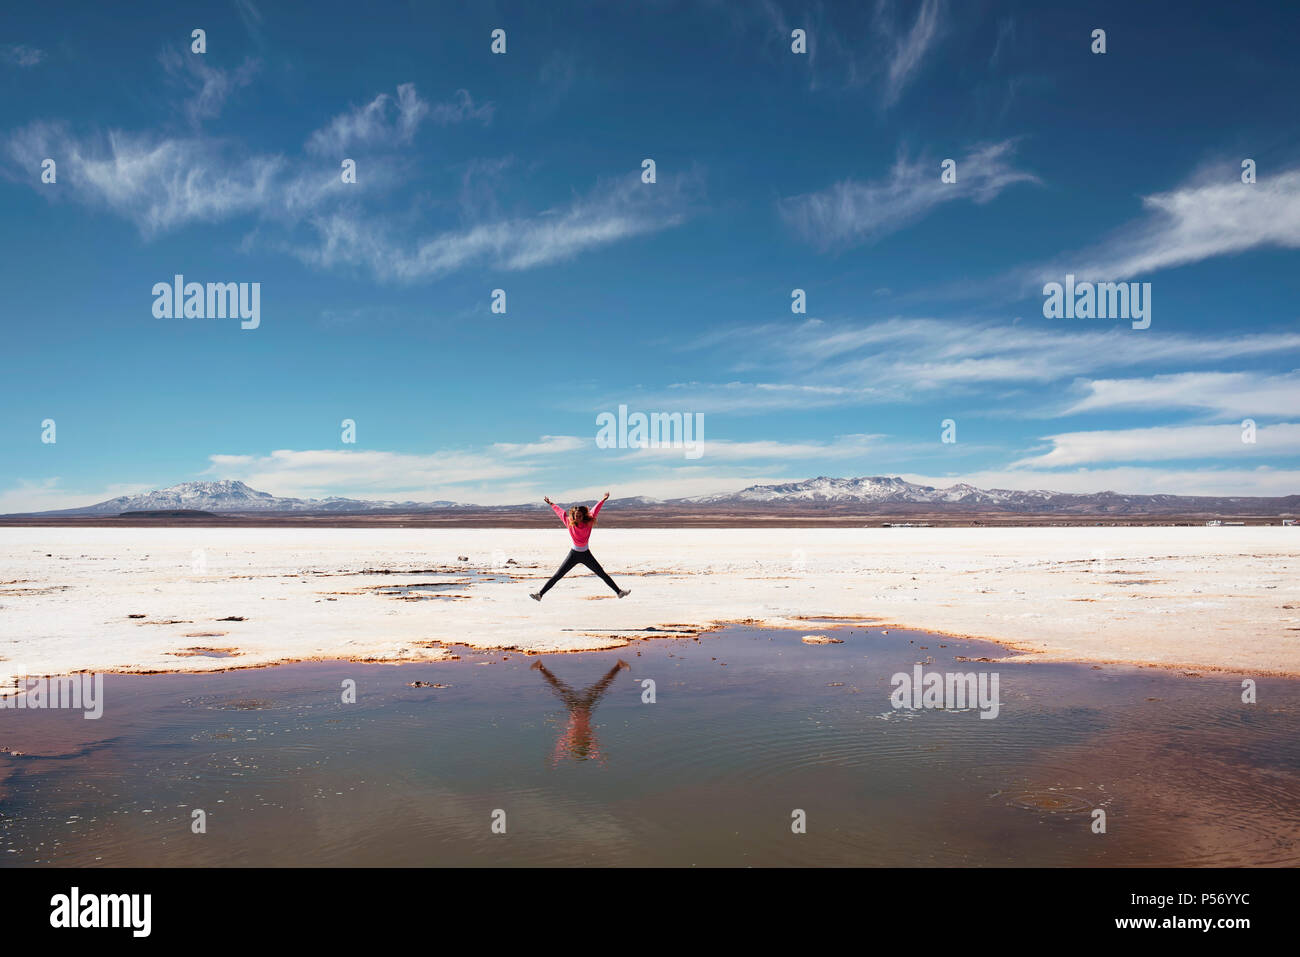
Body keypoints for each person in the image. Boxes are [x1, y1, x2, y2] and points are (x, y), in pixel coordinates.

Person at [530, 491, 630, 600]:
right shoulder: (569, 522)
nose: (578, 517)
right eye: (576, 515)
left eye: (580, 516)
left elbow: (595, 510)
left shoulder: (589, 522)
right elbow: (561, 512)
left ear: (583, 516)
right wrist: (551, 504)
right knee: (558, 575)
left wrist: (603, 500)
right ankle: (540, 594)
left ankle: (619, 592)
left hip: (586, 555)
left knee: (602, 574)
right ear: (573, 515)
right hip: (573, 554)